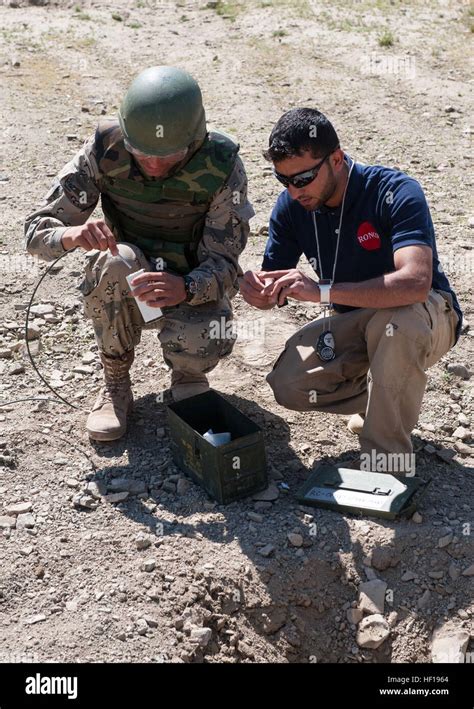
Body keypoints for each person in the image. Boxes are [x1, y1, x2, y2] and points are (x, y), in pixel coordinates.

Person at [25, 66, 254, 441]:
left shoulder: (221, 166)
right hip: (129, 283)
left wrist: (187, 287)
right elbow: (36, 231)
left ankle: (188, 377)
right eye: (140, 152)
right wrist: (72, 234)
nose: (153, 164)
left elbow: (227, 265)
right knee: (114, 263)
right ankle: (116, 384)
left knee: (205, 337)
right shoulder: (106, 148)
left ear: (195, 140)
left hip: (189, 288)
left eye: (169, 155)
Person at [240, 108, 462, 473]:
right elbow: (274, 279)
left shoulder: (392, 191)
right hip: (358, 320)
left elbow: (416, 282)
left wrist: (322, 291)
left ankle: (387, 463)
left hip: (426, 314)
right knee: (289, 384)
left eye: (304, 178)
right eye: (284, 181)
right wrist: (262, 295)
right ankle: (381, 407)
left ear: (337, 159)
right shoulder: (292, 206)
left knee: (395, 324)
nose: (295, 191)